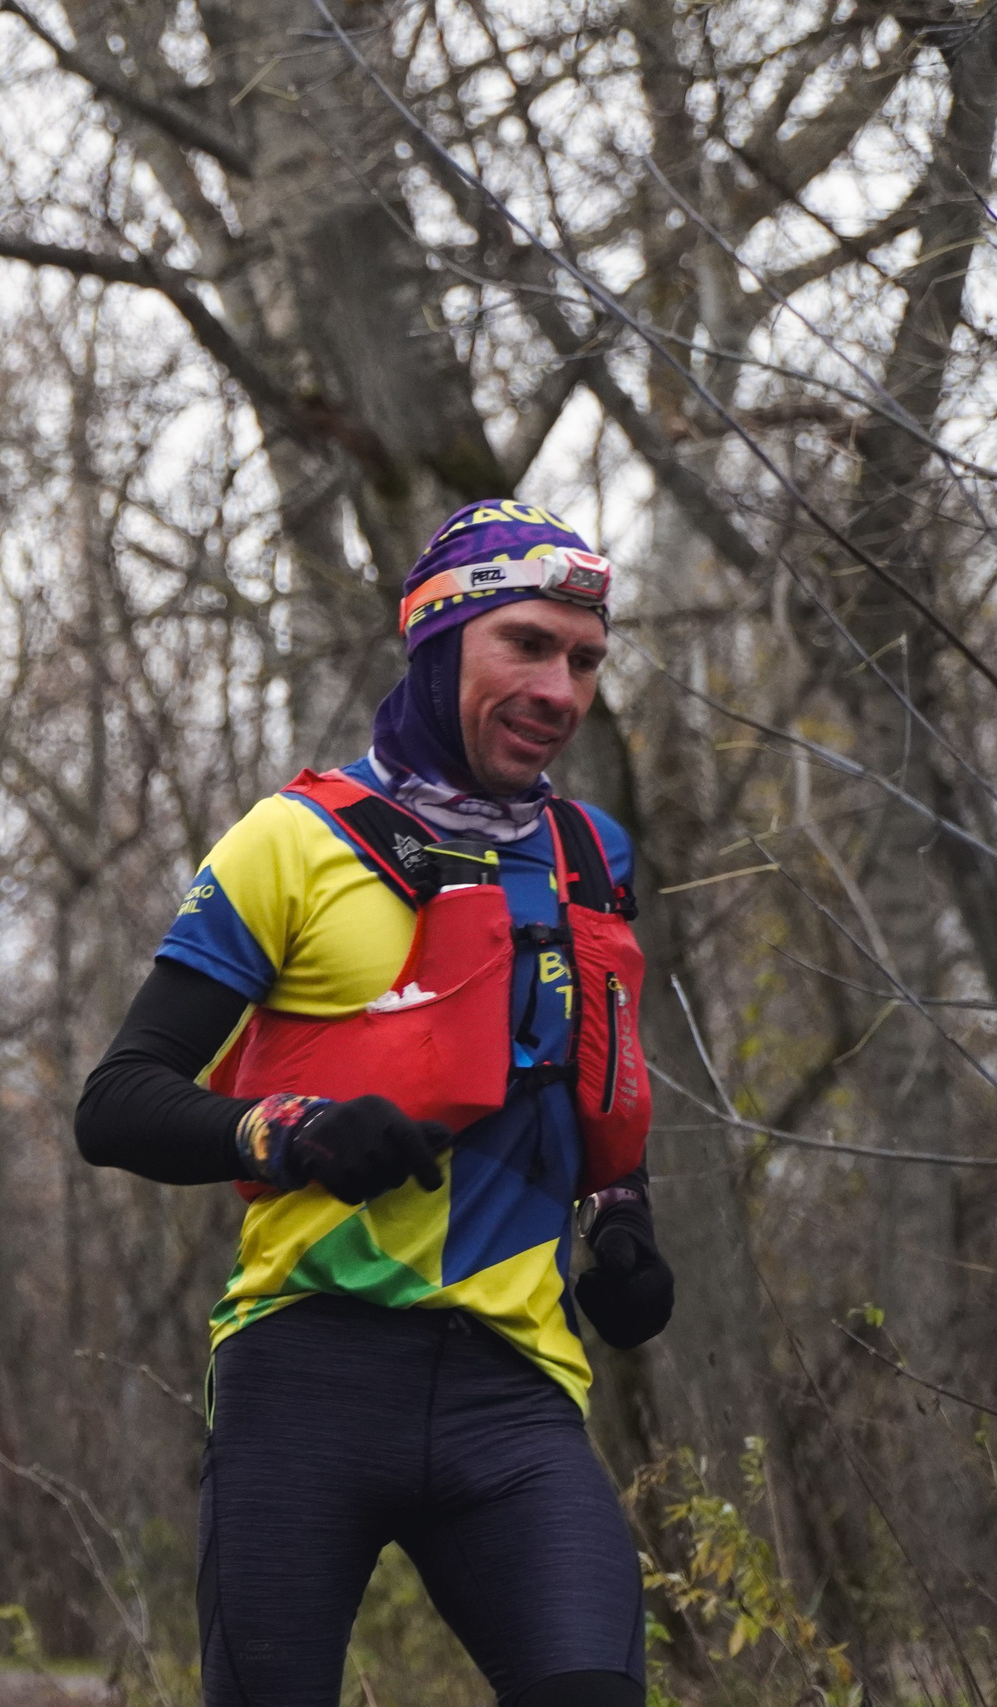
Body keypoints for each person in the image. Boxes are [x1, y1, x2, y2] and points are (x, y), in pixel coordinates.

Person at [77, 501, 676, 1707]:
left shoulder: (587, 855)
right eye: (526, 644)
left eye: (584, 659)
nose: (560, 688)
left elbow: (582, 1087)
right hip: (305, 1373)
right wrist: (285, 1131)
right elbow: (118, 1101)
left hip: (515, 1387)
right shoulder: (290, 842)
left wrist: (620, 1218)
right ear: (438, 637)